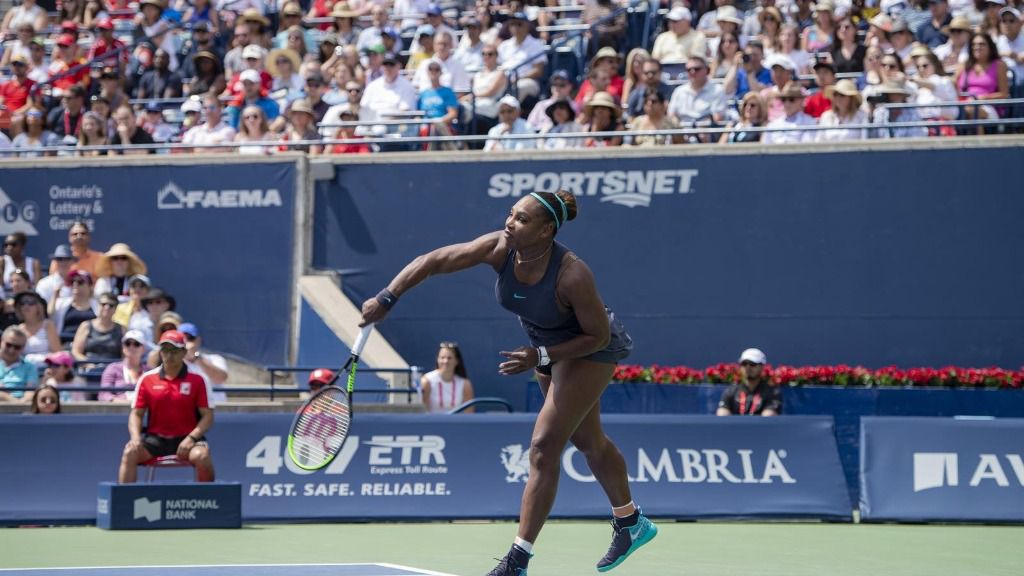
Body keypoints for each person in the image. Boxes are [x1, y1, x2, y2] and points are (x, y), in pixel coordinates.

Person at [359, 190, 655, 575]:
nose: (510, 223)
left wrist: (541, 357)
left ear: (547, 230)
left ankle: (518, 559)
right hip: (543, 347)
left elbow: (597, 336)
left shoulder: (573, 274)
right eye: (511, 214)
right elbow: (431, 261)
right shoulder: (499, 248)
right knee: (588, 441)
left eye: (522, 219)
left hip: (589, 348)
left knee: (543, 447)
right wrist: (387, 296)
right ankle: (631, 523)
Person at [118, 330, 214, 483]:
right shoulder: (147, 379)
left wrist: (191, 438)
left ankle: (207, 503)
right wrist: (135, 438)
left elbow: (207, 416)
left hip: (187, 440)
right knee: (130, 452)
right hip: (155, 440)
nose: (169, 355)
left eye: (174, 350)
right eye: (165, 350)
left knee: (202, 456)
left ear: (183, 352)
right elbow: (136, 414)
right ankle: (124, 503)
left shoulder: (198, 379)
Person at [716, 348, 781, 416]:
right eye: (744, 364)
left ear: (762, 367)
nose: (747, 367)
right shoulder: (731, 390)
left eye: (752, 364)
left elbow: (768, 417)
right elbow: (722, 414)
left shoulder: (772, 392)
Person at [180, 323, 229, 404]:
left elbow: (220, 379)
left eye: (190, 338)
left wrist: (196, 357)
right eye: (182, 339)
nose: (186, 342)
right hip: (188, 410)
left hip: (216, 409)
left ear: (198, 340)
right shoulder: (174, 364)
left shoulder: (215, 359)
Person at [420, 342, 475, 413]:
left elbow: (469, 414)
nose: (445, 361)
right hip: (433, 423)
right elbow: (422, 412)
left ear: (457, 361)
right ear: (437, 359)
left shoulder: (465, 384)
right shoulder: (427, 381)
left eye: (449, 358)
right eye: (442, 357)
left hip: (456, 424)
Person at [99, 329, 149, 402]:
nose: (131, 347)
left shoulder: (149, 372)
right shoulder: (112, 368)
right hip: (118, 410)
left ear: (143, 349)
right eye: (127, 343)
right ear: (123, 347)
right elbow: (104, 393)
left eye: (136, 344)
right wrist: (118, 401)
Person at [71, 292, 123, 362]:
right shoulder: (85, 326)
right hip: (88, 369)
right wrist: (87, 364)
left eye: (111, 305)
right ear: (98, 305)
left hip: (112, 369)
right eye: (103, 304)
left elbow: (125, 355)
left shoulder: (121, 329)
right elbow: (76, 352)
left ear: (115, 309)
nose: (106, 307)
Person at [52, 269, 97, 344]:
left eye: (80, 282)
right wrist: (55, 296)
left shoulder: (99, 305)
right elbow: (50, 315)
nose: (75, 284)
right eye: (72, 282)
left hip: (90, 346)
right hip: (65, 344)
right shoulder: (61, 303)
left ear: (90, 286)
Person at [15, 290, 59, 366]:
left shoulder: (48, 325)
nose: (26, 306)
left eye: (31, 302)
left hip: (46, 369)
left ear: (38, 306)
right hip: (25, 370)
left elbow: (57, 353)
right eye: (22, 303)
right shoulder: (18, 329)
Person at [0, 326, 38, 402]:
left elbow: (30, 393)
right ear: (1, 341)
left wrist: (17, 403)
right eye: (9, 345)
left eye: (17, 347)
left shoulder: (30, 366)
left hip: (21, 409)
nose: (11, 350)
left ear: (23, 347)